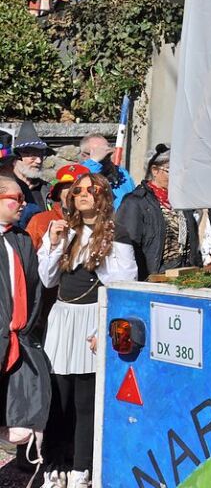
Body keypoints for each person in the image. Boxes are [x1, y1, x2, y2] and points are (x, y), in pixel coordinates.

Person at [38, 173, 136, 487]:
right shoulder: (64, 231)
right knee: (57, 397)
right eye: (76, 190)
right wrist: (53, 245)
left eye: (89, 190)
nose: (81, 194)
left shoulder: (116, 234)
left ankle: (82, 468)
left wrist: (100, 251)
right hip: (63, 319)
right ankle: (54, 465)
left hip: (94, 317)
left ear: (103, 195)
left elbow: (125, 285)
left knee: (85, 401)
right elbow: (48, 280)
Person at [0, 176, 50, 477]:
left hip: (16, 338)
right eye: (15, 198)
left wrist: (26, 327)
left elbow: (32, 289)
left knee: (19, 417)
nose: (24, 204)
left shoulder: (20, 238)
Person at [115, 145, 198, 281]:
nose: (177, 175)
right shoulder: (135, 202)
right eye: (171, 170)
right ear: (154, 170)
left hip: (183, 278)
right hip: (152, 279)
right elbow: (127, 246)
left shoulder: (181, 202)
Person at [26, 164, 90, 250]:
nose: (71, 193)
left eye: (78, 188)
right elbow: (26, 256)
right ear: (59, 192)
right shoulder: (39, 221)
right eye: (67, 187)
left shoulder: (98, 221)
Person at [10, 123, 53, 228]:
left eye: (41, 155)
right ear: (17, 157)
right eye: (32, 156)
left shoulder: (48, 190)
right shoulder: (5, 188)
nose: (38, 161)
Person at [77, 134, 134, 209]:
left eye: (107, 154)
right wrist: (94, 161)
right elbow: (80, 184)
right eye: (100, 153)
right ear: (84, 156)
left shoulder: (121, 173)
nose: (105, 158)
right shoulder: (77, 173)